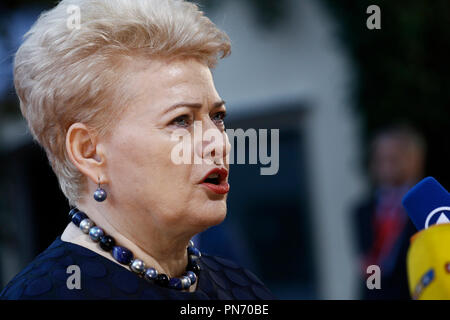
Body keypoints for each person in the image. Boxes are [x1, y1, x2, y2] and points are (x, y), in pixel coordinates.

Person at [0, 0, 274, 300]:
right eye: (181, 120)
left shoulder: (241, 287)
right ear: (89, 152)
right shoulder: (45, 295)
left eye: (217, 117)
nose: (218, 143)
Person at [353, 125, 426, 299]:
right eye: (380, 160)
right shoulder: (363, 210)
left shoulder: (428, 206)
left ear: (414, 160)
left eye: (393, 159)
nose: (385, 167)